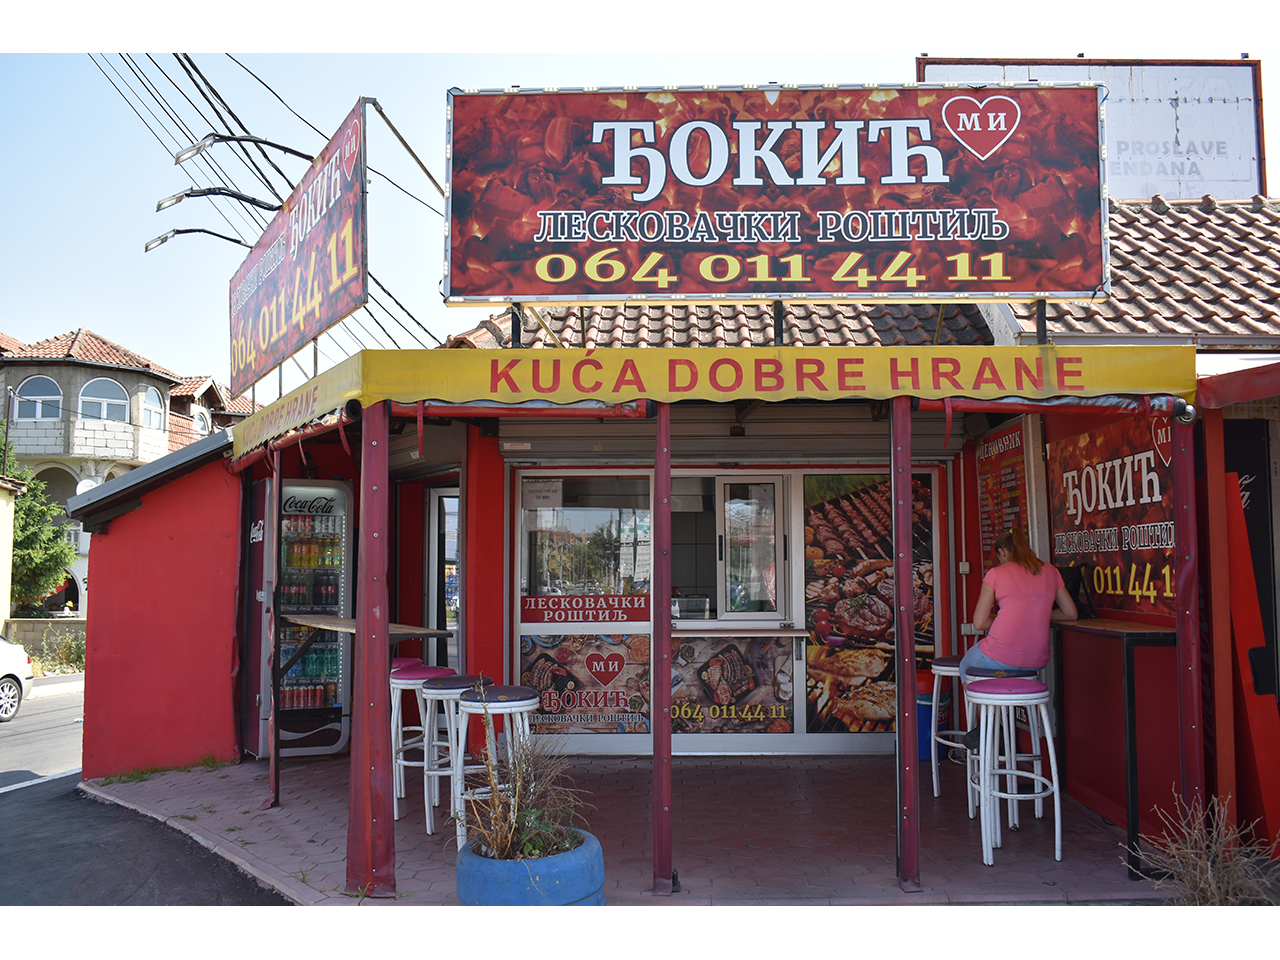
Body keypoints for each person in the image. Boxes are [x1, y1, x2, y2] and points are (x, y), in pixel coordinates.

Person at [958, 528, 1077, 749]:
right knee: (997, 667)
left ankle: (990, 725)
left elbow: (980, 623)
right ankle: (997, 725)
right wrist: (1037, 612)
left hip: (999, 658)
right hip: (1036, 662)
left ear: (1002, 552)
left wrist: (1005, 616)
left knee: (965, 665)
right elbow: (1070, 613)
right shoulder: (1050, 571)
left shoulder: (996, 574)